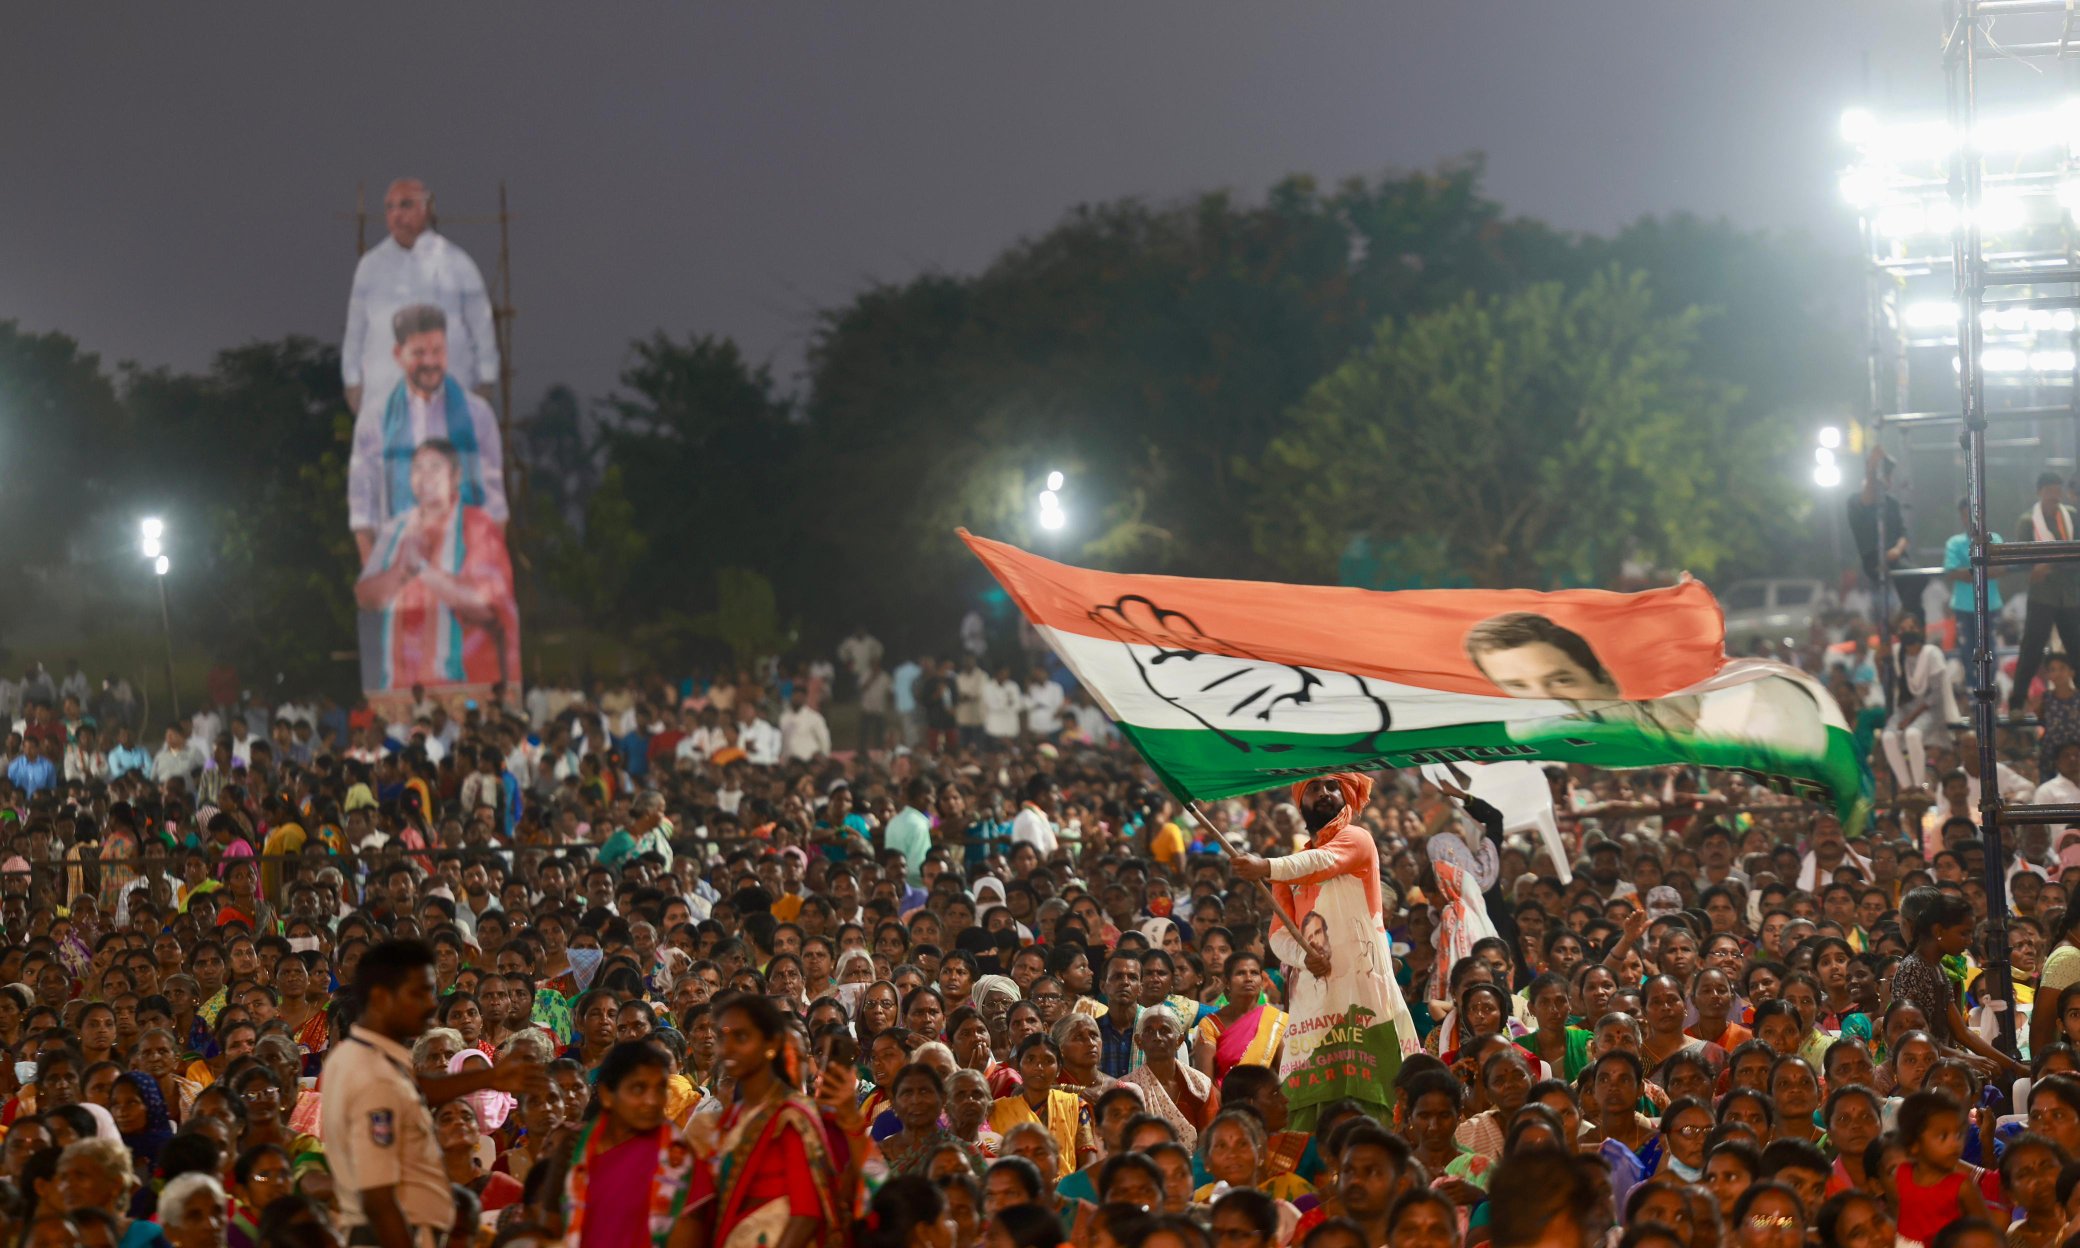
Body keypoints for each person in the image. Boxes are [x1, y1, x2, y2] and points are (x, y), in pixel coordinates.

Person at [321, 940, 541, 1248]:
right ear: (382, 998)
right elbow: (379, 1198)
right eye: (419, 993)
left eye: (432, 991)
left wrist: (491, 1076)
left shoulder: (360, 1054)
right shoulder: (373, 1078)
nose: (430, 1004)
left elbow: (415, 1090)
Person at [1231, 772, 1417, 1128]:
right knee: (1312, 1103)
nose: (1325, 793)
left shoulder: (1357, 840)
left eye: (1332, 786)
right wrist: (1305, 957)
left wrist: (1265, 866)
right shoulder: (1291, 867)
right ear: (1301, 801)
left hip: (1364, 993)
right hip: (1316, 1001)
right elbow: (1278, 935)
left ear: (1346, 794)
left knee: (1376, 1094)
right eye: (1314, 788)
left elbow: (1318, 865)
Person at [354, 438, 521, 693]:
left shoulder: (478, 527)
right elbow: (365, 596)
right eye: (418, 468)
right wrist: (400, 570)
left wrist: (422, 568)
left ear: (455, 476)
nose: (425, 476)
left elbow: (486, 608)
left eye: (434, 467)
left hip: (465, 683)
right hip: (398, 685)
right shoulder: (394, 530)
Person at [686, 994, 851, 1248]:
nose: (728, 1048)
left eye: (741, 1037)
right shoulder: (725, 1121)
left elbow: (806, 1213)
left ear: (770, 1044)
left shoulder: (792, 1115)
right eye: (722, 1036)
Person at [343, 179, 500, 441]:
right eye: (390, 207)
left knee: (444, 470)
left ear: (426, 209)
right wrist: (351, 381)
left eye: (405, 205)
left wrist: (486, 377)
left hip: (448, 393)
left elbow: (481, 324)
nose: (396, 214)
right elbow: (356, 329)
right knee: (390, 473)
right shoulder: (371, 266)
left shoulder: (456, 262)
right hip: (385, 395)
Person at [559, 1039, 698, 1248]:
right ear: (607, 1095)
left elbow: (689, 1236)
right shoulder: (575, 1149)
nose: (652, 1100)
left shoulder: (679, 1160)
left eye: (660, 1089)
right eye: (638, 1088)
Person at [2009, 471, 2080, 718]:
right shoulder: (2027, 522)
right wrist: (2038, 568)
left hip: (2070, 594)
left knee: (2076, 649)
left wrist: (2051, 562)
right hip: (2042, 595)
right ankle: (2017, 703)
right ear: (2040, 492)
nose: (2055, 494)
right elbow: (2023, 562)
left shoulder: (2070, 516)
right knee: (2032, 649)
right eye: (2050, 489)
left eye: (2057, 489)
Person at [1892, 1091, 1986, 1245]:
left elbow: (1984, 1231)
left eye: (1958, 1135)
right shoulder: (1902, 1173)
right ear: (1914, 1144)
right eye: (1943, 1136)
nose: (1955, 1144)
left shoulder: (1962, 1186)